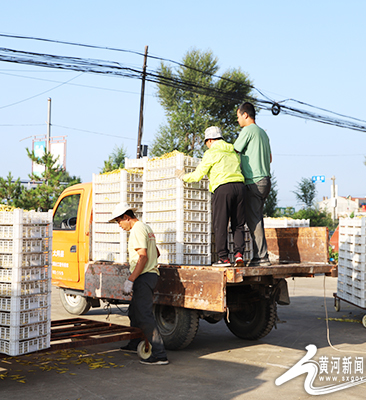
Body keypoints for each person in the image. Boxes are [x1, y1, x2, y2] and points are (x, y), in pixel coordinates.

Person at [109, 203, 169, 365]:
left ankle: (159, 354)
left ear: (127, 217)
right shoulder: (146, 228)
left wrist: (131, 279)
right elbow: (156, 252)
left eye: (119, 222)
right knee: (134, 312)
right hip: (148, 275)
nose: (120, 226)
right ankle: (134, 343)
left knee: (144, 315)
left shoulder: (136, 230)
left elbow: (143, 256)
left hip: (144, 277)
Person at [178, 126, 246, 267]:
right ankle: (239, 255)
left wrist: (183, 176)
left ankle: (224, 259)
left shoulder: (211, 153)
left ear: (209, 140)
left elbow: (198, 175)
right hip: (240, 186)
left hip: (223, 188)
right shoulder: (232, 150)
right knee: (238, 224)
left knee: (220, 224)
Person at [234, 102, 272, 267]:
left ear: (245, 115)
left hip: (254, 181)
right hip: (266, 180)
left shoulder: (248, 130)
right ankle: (260, 255)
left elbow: (234, 150)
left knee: (254, 220)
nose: (238, 120)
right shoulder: (263, 133)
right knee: (258, 218)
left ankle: (261, 258)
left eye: (238, 116)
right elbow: (270, 158)